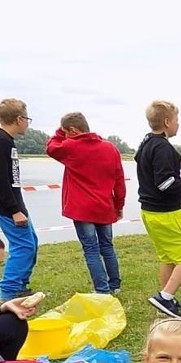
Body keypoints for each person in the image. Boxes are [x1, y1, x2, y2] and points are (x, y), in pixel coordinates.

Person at [136, 100, 181, 317]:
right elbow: (165, 183)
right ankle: (165, 296)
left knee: (168, 256)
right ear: (167, 122)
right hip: (166, 212)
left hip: (150, 212)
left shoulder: (147, 142)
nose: (178, 124)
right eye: (177, 120)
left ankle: (167, 300)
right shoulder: (163, 147)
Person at [46, 112, 125, 295]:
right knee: (107, 246)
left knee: (91, 248)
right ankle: (115, 285)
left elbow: (51, 147)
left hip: (82, 209)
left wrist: (60, 131)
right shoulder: (110, 148)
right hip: (105, 206)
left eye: (66, 132)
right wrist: (119, 205)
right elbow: (119, 180)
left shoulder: (71, 147)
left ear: (72, 131)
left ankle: (102, 290)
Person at [0, 98, 37, 303]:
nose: (28, 123)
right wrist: (14, 210)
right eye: (27, 119)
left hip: (16, 204)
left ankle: (20, 286)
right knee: (23, 246)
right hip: (7, 207)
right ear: (19, 119)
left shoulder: (8, 141)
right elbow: (1, 181)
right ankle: (8, 291)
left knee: (31, 243)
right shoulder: (1, 141)